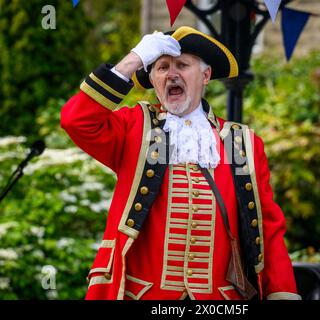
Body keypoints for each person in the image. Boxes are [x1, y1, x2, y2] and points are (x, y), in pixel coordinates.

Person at [60, 26, 300, 300]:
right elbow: (76, 120)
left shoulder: (242, 143)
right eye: (162, 67)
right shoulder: (134, 127)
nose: (172, 74)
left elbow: (268, 229)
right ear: (153, 78)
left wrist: (282, 293)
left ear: (206, 75)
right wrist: (134, 59)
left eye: (182, 65)